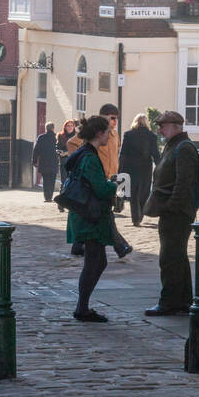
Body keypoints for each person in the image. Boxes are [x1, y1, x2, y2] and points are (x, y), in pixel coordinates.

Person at [61, 116, 119, 322]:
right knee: (94, 261)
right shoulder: (90, 158)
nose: (109, 136)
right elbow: (101, 189)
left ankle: (82, 306)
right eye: (107, 132)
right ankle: (82, 308)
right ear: (98, 134)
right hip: (89, 216)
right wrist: (114, 186)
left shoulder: (83, 153)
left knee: (97, 261)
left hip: (84, 213)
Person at [143, 109, 199, 316]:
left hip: (178, 212)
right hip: (173, 210)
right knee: (177, 256)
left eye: (163, 126)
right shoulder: (173, 145)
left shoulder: (183, 148)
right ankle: (183, 300)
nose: (159, 130)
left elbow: (184, 182)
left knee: (169, 257)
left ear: (175, 127)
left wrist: (171, 206)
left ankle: (169, 302)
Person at [97, 104, 132, 261]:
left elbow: (116, 151)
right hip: (98, 178)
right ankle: (120, 245)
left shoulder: (115, 135)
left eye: (116, 118)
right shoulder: (95, 131)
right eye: (112, 118)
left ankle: (79, 244)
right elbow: (73, 143)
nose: (115, 121)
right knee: (106, 214)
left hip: (112, 179)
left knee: (104, 213)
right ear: (103, 117)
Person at [118, 113, 160, 226]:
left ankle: (135, 218)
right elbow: (155, 154)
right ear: (146, 122)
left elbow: (123, 154)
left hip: (130, 166)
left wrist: (120, 170)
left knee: (133, 193)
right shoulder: (151, 136)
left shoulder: (128, 135)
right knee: (144, 191)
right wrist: (160, 167)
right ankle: (140, 214)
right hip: (145, 167)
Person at [32, 122, 59, 202]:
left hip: (44, 162)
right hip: (54, 161)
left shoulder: (41, 137)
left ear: (46, 128)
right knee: (52, 179)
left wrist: (34, 160)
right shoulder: (56, 137)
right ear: (53, 128)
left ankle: (47, 197)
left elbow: (36, 150)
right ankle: (50, 195)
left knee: (46, 180)